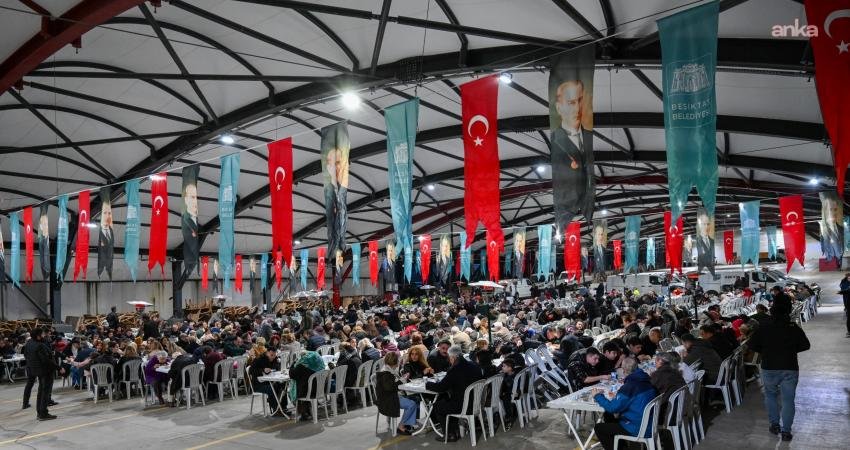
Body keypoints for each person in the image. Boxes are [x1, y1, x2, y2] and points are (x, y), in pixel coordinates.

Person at [748, 298, 810, 442]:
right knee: (788, 400)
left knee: (770, 396)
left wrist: (765, 351)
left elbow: (752, 345)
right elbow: (806, 345)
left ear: (771, 314)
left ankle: (774, 425)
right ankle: (786, 431)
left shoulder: (763, 328)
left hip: (769, 367)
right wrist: (791, 350)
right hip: (789, 367)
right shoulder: (793, 327)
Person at [551, 79, 594, 222]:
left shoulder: (589, 137)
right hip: (567, 205)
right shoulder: (555, 141)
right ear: (559, 108)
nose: (577, 108)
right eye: (571, 102)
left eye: (580, 101)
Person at [592, 357, 658, 450]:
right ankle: (621, 446)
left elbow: (612, 408)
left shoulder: (630, 386)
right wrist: (618, 396)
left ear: (623, 370)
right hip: (650, 423)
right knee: (608, 416)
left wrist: (597, 396)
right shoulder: (646, 379)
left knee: (599, 428)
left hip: (637, 427)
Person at [426, 345, 484, 442]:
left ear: (452, 357)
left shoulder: (454, 370)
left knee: (437, 406)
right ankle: (456, 429)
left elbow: (441, 387)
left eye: (449, 358)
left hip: (464, 406)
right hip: (477, 402)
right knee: (447, 400)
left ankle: (450, 434)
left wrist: (427, 384)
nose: (449, 360)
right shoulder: (474, 365)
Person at [375, 351, 419, 435]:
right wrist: (402, 380)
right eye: (398, 360)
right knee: (412, 404)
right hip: (388, 400)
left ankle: (408, 423)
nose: (399, 361)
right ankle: (401, 426)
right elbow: (390, 388)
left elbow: (392, 384)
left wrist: (401, 379)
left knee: (414, 399)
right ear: (395, 362)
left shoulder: (388, 369)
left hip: (389, 396)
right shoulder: (386, 373)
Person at [22, 328, 56, 420]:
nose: (44, 335)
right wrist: (58, 367)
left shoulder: (29, 343)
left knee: (39, 391)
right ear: (38, 336)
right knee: (44, 392)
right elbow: (46, 360)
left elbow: (26, 355)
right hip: (44, 370)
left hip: (32, 369)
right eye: (42, 334)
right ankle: (43, 413)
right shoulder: (40, 345)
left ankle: (37, 411)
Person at [289, 351, 326, 421]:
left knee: (291, 392)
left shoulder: (301, 366)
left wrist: (293, 363)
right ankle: (308, 411)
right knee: (304, 386)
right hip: (320, 390)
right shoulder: (319, 365)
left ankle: (304, 413)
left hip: (308, 392)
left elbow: (291, 375)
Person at [249, 347, 285, 416]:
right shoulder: (259, 359)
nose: (273, 357)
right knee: (272, 389)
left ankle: (283, 407)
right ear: (267, 353)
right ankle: (276, 409)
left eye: (274, 355)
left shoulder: (274, 359)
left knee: (282, 386)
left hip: (270, 381)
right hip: (258, 384)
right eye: (271, 355)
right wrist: (263, 370)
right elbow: (251, 371)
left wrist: (277, 365)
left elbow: (277, 368)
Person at [840, 272, 850, 338]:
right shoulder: (844, 282)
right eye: (848, 278)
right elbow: (842, 290)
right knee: (849, 317)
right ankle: (849, 331)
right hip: (847, 302)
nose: (849, 279)